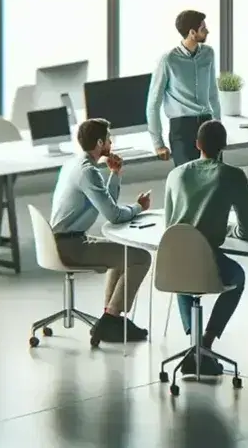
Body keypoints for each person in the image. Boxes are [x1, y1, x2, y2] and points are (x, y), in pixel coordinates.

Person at [163, 120, 248, 375]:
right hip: (208, 261)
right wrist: (231, 231)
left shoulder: (175, 175)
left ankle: (194, 344)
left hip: (174, 261)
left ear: (197, 144)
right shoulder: (233, 176)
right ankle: (206, 342)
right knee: (238, 277)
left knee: (183, 264)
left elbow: (169, 227)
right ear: (224, 146)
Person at [49, 118, 153, 343]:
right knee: (141, 257)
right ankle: (111, 320)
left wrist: (115, 174)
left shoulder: (73, 164)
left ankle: (110, 318)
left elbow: (107, 205)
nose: (111, 141)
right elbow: (114, 215)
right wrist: (139, 207)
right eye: (108, 138)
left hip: (63, 241)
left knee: (124, 254)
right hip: (71, 247)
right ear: (99, 143)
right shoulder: (88, 172)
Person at [146, 9, 221, 167]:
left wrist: (218, 126)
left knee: (215, 179)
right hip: (182, 128)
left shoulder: (208, 54)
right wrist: (158, 143)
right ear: (192, 33)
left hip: (207, 124)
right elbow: (153, 103)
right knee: (188, 181)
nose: (207, 31)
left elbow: (213, 93)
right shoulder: (168, 60)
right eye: (203, 29)